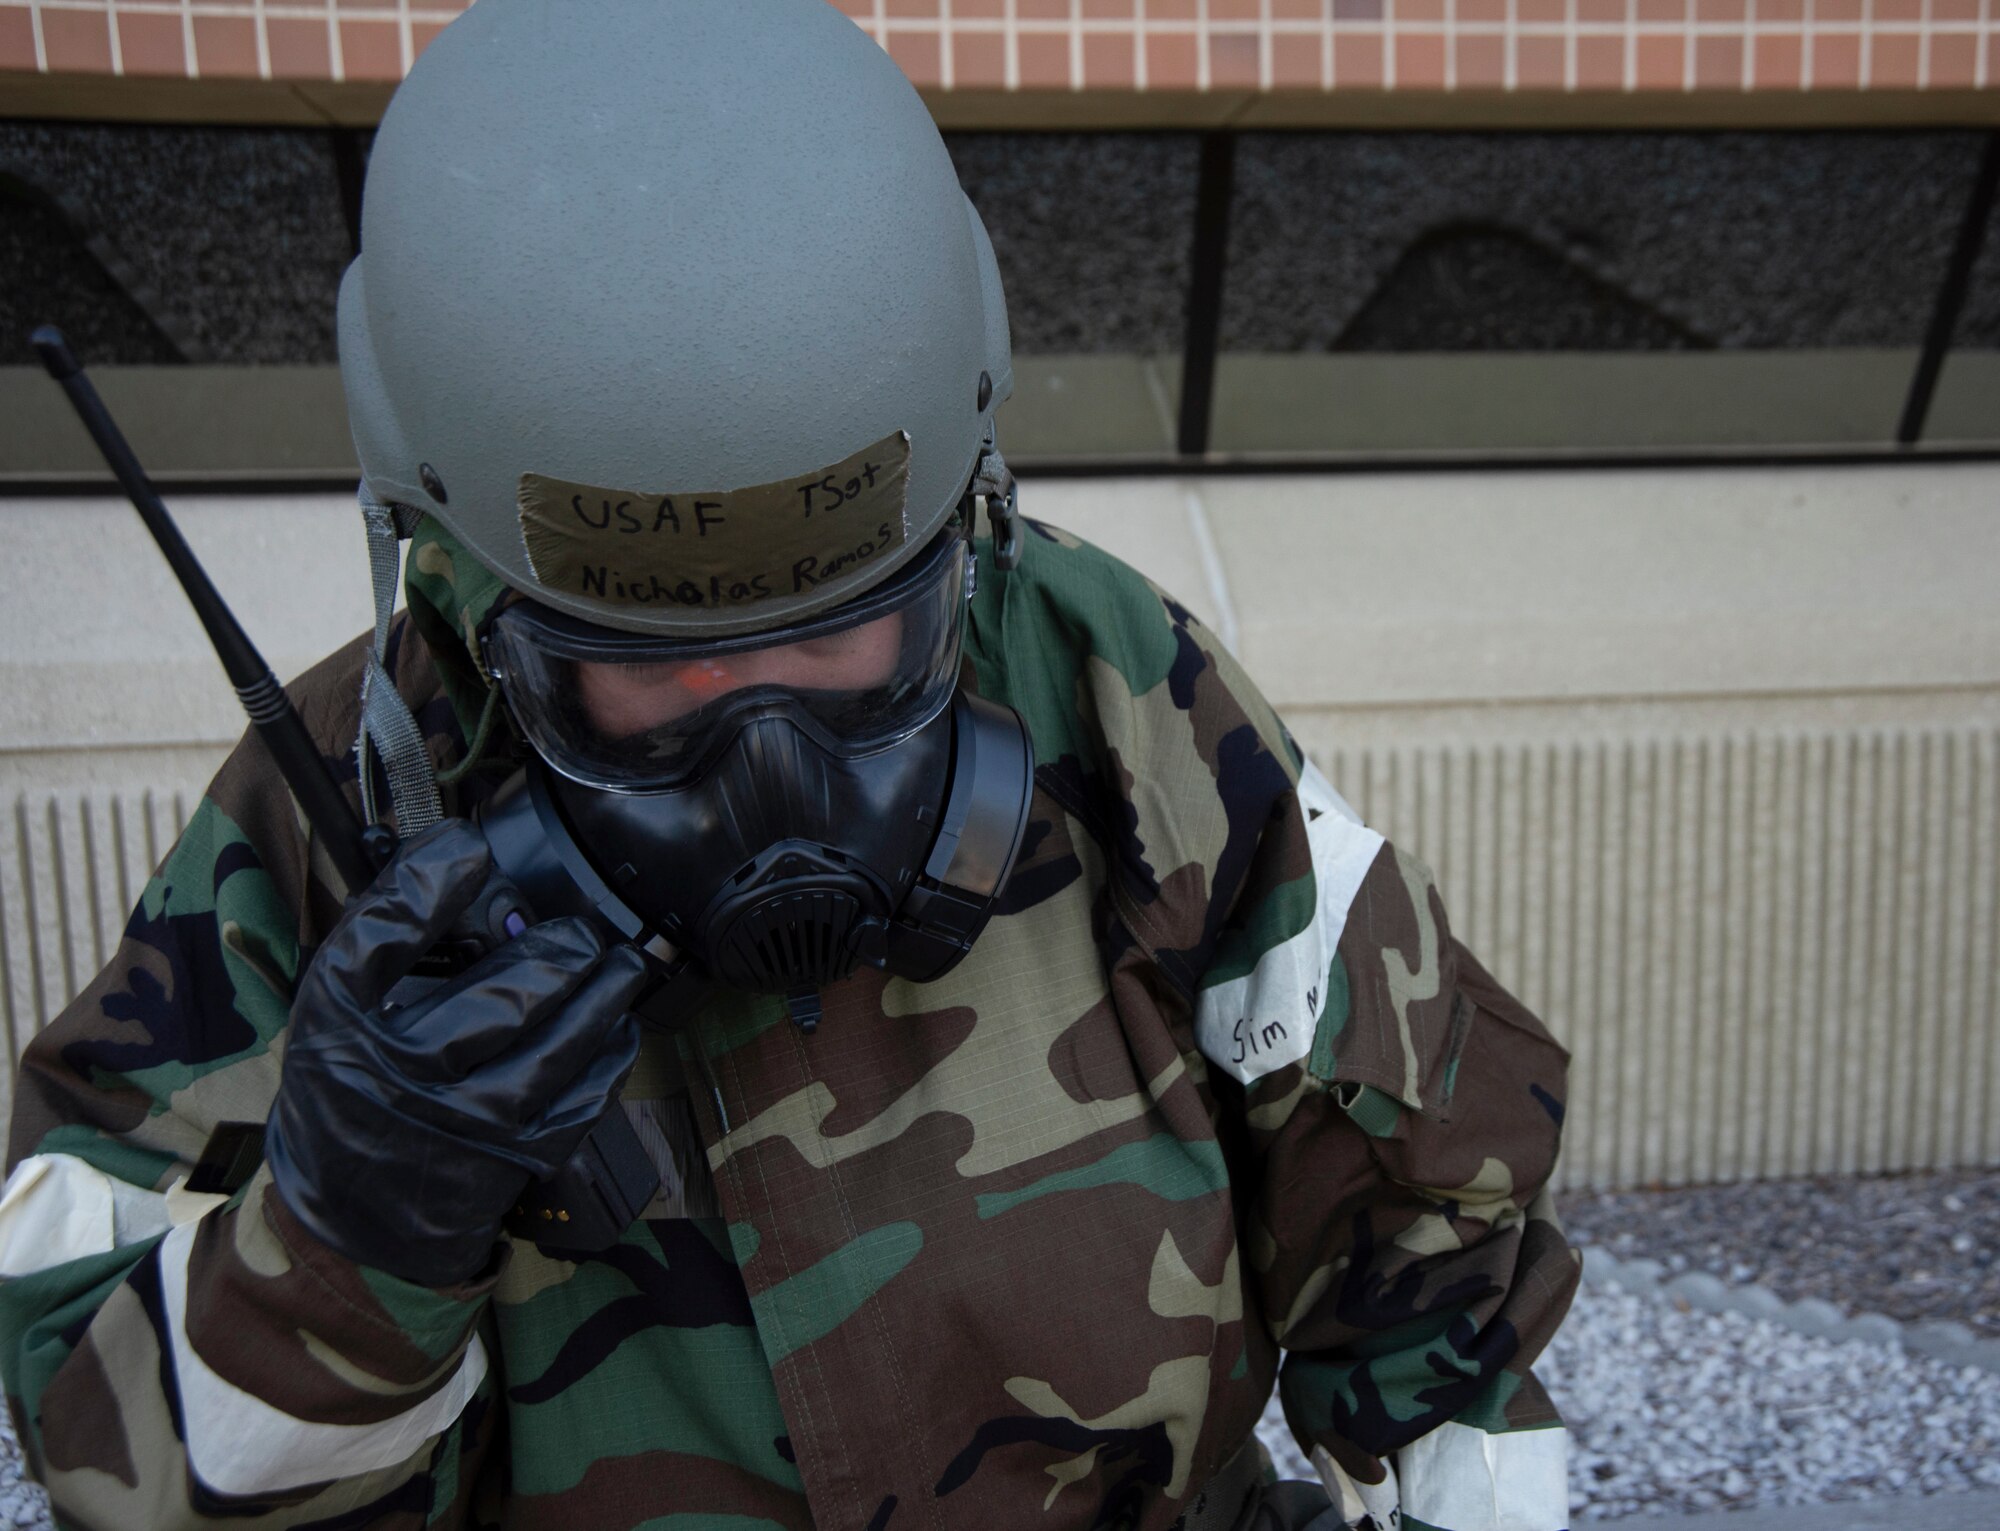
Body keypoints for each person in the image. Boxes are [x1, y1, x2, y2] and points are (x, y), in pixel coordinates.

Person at [0, 2, 1577, 1527]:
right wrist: (347, 1235)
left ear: (958, 534)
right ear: (476, 593)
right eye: (657, 668)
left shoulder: (1109, 684)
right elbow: (116, 1463)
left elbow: (1404, 1161)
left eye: (839, 648)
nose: (770, 774)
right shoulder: (332, 822)